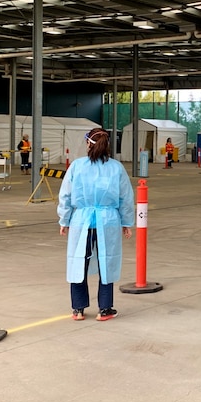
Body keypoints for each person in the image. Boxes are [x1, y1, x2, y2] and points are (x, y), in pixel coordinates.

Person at [58, 128, 134, 321]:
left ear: (87, 144)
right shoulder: (116, 168)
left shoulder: (77, 166)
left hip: (81, 220)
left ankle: (78, 308)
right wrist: (126, 222)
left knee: (78, 263)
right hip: (108, 221)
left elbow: (65, 195)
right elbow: (125, 197)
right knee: (107, 262)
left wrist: (64, 220)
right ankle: (105, 308)